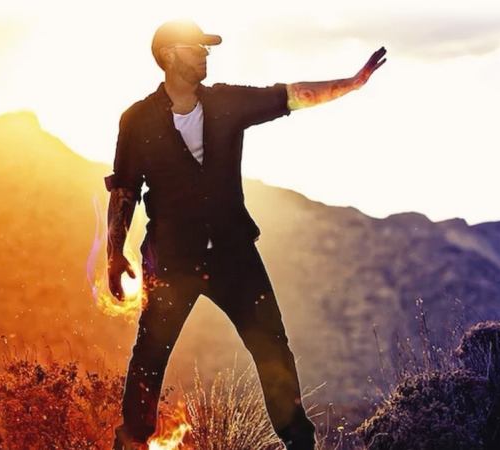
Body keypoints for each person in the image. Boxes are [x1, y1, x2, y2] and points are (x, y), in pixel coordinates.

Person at [105, 19, 386, 450]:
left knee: (272, 347)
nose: (205, 54)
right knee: (149, 356)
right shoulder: (137, 120)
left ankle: (299, 443)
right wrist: (114, 253)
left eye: (206, 48)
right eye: (196, 47)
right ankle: (132, 444)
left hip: (234, 254)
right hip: (171, 260)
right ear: (169, 55)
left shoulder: (227, 102)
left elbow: (289, 95)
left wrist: (351, 83)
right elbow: (124, 189)